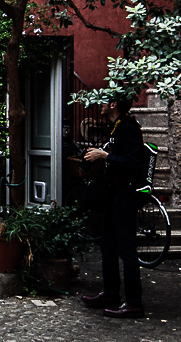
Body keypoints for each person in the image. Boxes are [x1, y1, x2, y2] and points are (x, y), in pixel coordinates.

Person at [79, 97, 146, 318]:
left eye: (105, 101)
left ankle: (134, 303)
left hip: (125, 196)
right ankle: (111, 293)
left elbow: (133, 163)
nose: (101, 104)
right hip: (113, 195)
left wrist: (105, 155)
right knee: (107, 245)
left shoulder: (128, 128)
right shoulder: (115, 127)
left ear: (114, 104)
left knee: (127, 250)